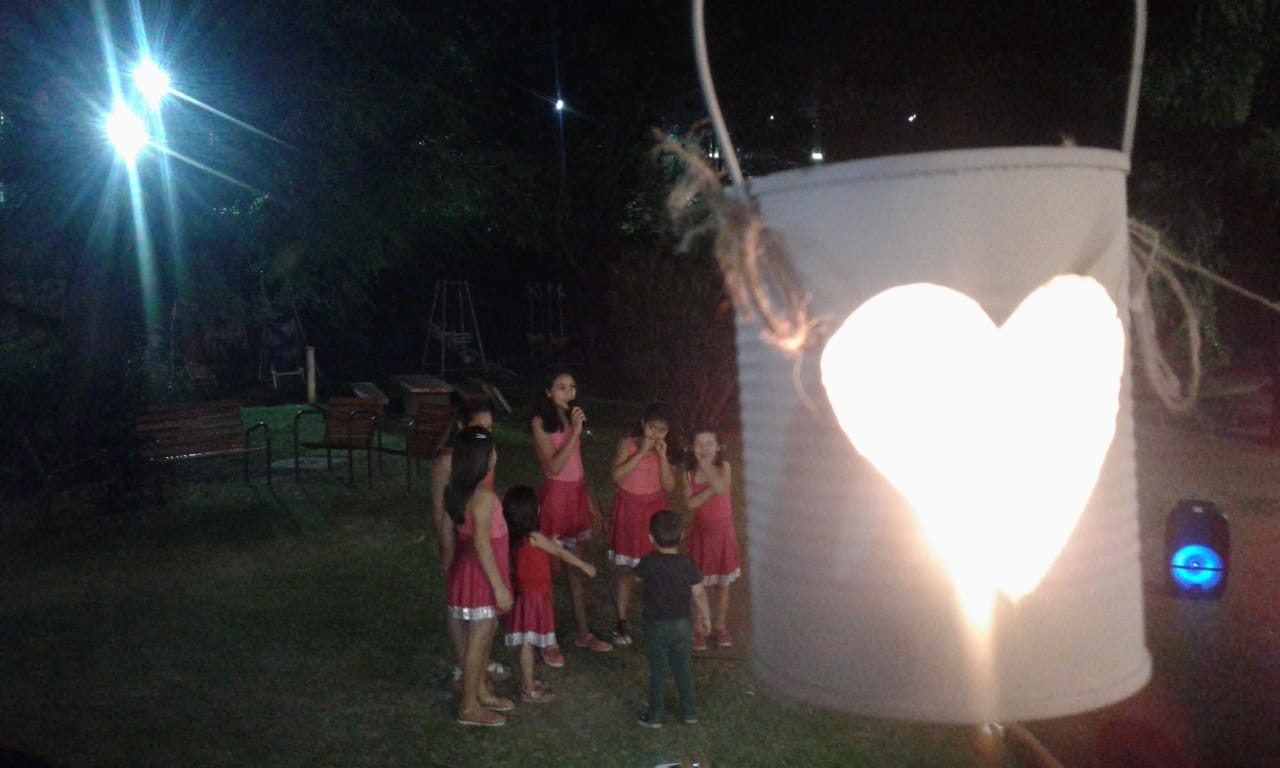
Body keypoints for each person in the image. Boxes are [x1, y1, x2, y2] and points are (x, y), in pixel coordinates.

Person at [530, 370, 612, 662]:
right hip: (556, 498)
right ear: (548, 392)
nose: (569, 392)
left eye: (572, 387)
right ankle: (547, 638)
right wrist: (575, 433)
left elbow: (576, 463)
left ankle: (583, 632)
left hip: (576, 494)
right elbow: (554, 466)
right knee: (549, 571)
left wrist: (586, 500)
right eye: (561, 387)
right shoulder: (539, 422)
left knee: (576, 567)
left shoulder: (569, 418)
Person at [430, 401, 510, 686]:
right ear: (462, 427)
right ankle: (465, 665)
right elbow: (441, 512)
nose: (486, 434)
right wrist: (447, 551)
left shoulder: (484, 453)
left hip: (481, 536)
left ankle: (479, 664)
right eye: (480, 428)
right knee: (461, 606)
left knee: (482, 610)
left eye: (490, 428)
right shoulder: (447, 462)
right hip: (463, 541)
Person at [502, 484, 599, 703]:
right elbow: (560, 553)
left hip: (526, 593)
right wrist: (584, 565)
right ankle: (529, 690)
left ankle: (530, 681)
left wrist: (550, 543)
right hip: (534, 596)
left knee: (528, 641)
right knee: (528, 643)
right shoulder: (534, 537)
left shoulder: (515, 536)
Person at [444, 426, 514, 727]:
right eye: (492, 450)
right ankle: (469, 706)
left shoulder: (459, 490)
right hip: (481, 575)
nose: (496, 454)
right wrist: (499, 587)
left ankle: (481, 690)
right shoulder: (482, 496)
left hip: (468, 569)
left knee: (485, 631)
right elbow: (482, 544)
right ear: (483, 458)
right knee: (479, 637)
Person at [607, 402, 676, 645]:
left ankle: (657, 621)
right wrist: (641, 451)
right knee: (626, 570)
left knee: (655, 570)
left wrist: (662, 456)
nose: (656, 434)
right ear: (643, 424)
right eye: (652, 428)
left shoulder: (665, 450)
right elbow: (616, 476)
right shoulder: (628, 444)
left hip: (654, 512)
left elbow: (669, 486)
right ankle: (621, 620)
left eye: (662, 430)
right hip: (629, 510)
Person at [634, 509, 710, 728]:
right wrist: (706, 616)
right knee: (683, 667)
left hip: (655, 625)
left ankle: (655, 715)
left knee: (658, 671)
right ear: (682, 536)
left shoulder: (648, 562)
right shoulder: (688, 564)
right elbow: (699, 593)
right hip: (681, 625)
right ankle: (690, 711)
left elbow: (636, 578)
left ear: (651, 537)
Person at [682, 426, 740, 650]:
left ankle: (719, 626)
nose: (704, 448)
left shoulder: (724, 467)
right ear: (692, 448)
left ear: (718, 447)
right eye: (699, 444)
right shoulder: (688, 473)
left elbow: (721, 487)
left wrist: (706, 467)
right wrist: (708, 491)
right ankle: (699, 629)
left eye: (709, 444)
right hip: (702, 534)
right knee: (700, 584)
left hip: (724, 533)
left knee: (723, 585)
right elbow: (690, 504)